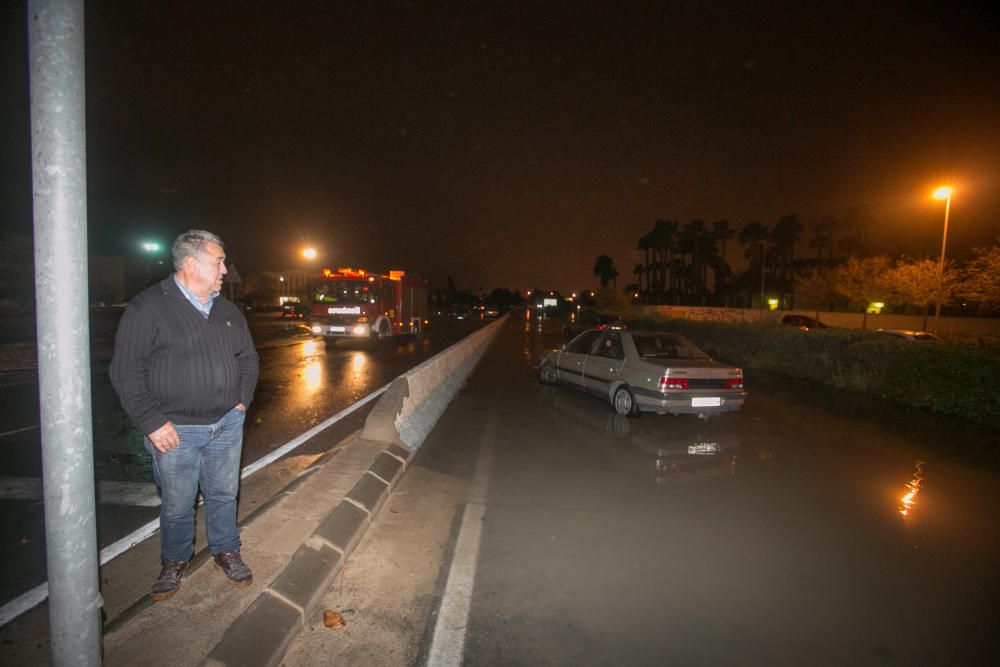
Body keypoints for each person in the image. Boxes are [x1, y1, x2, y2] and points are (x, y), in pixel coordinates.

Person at [111, 229, 260, 601]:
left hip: (226, 423)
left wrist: (241, 399)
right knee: (178, 502)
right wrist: (151, 421)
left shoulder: (227, 311)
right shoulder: (148, 307)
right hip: (175, 429)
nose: (225, 269)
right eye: (218, 261)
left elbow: (249, 358)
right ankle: (175, 560)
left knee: (224, 493)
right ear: (191, 264)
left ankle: (225, 550)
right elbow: (126, 370)